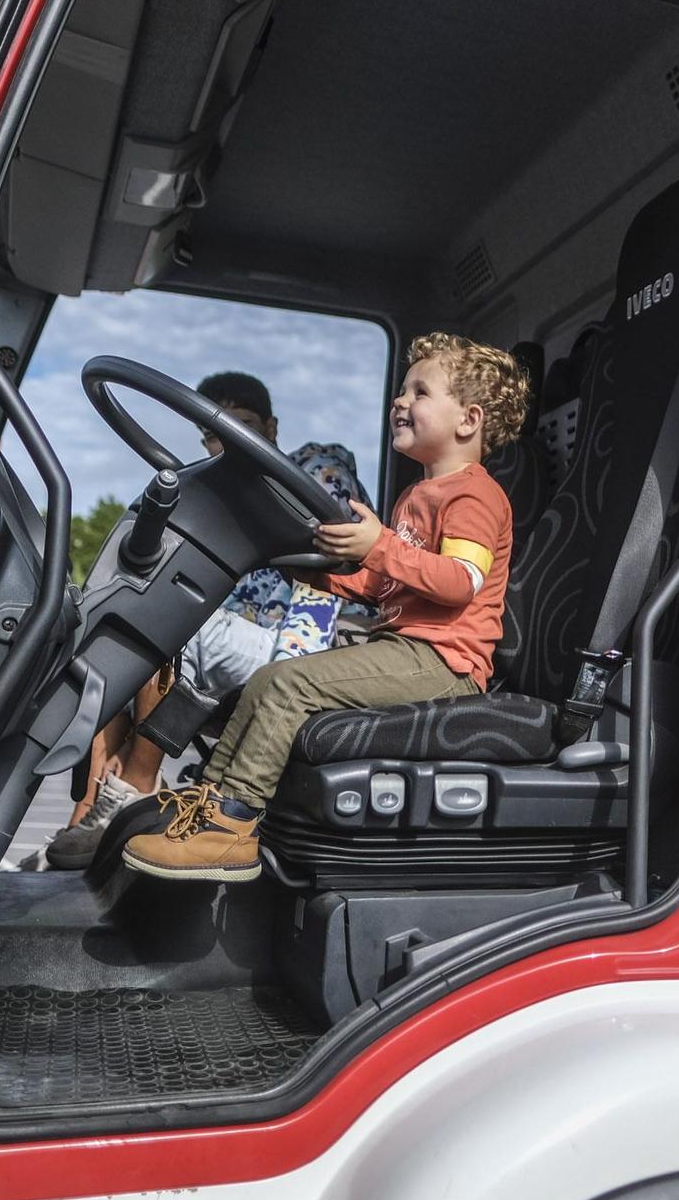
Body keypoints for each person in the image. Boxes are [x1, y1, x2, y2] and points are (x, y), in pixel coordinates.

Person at [119, 331, 529, 883]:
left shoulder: (473, 496)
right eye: (401, 391)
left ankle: (234, 828)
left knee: (292, 685)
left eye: (420, 392)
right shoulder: (417, 496)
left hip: (445, 664)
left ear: (468, 420)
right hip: (404, 649)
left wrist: (378, 545)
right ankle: (210, 802)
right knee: (270, 678)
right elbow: (392, 587)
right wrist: (320, 573)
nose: (400, 401)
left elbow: (459, 582)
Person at [42, 371, 369, 869]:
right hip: (235, 641)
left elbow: (336, 569)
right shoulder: (214, 492)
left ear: (271, 428)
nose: (227, 442)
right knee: (116, 628)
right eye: (215, 433)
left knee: (167, 627)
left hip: (313, 640)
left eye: (243, 427)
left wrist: (294, 667)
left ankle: (133, 786)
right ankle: (89, 811)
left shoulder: (316, 469)